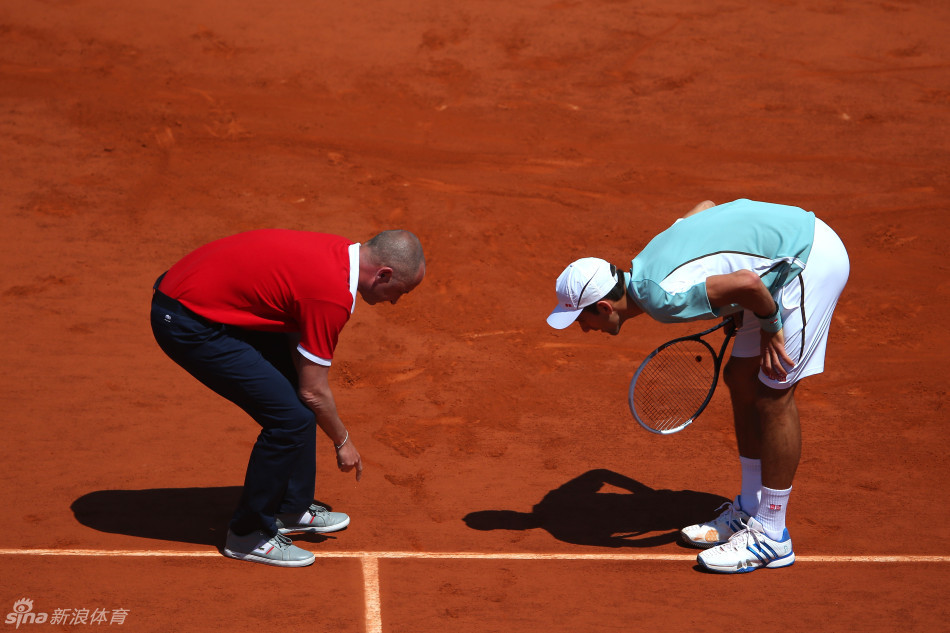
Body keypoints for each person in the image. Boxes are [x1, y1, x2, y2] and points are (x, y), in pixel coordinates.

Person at [546, 198, 849, 573]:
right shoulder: (645, 260)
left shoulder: (661, 300)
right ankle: (749, 508)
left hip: (807, 262)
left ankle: (772, 535)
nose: (582, 328)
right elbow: (705, 207)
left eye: (581, 318)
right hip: (774, 263)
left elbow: (748, 283)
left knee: (773, 395)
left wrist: (770, 327)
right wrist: (733, 304)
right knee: (739, 377)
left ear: (605, 308)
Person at [150, 228, 425, 567]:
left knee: (295, 398)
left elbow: (297, 328)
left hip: (197, 293)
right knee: (289, 420)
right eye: (400, 291)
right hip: (186, 318)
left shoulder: (338, 253)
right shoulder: (332, 296)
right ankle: (248, 535)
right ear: (383, 274)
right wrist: (343, 441)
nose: (395, 301)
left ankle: (290, 508)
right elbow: (314, 390)